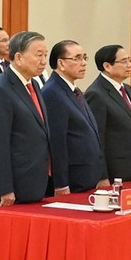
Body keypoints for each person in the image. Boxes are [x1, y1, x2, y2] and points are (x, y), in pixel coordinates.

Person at [0, 31, 53, 205]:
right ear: (19, 57)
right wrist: (5, 189)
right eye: (38, 55)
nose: (44, 61)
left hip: (38, 179)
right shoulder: (1, 89)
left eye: (45, 55)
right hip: (16, 184)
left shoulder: (33, 83)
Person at [41, 40, 105, 192]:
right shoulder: (52, 92)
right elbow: (57, 142)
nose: (83, 63)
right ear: (61, 63)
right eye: (77, 58)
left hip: (87, 175)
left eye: (84, 58)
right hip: (72, 179)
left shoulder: (73, 90)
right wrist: (61, 184)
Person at [86, 45, 131, 183]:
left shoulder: (127, 88)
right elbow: (97, 139)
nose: (129, 65)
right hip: (116, 171)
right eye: (124, 61)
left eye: (130, 60)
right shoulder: (96, 94)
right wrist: (102, 175)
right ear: (107, 66)